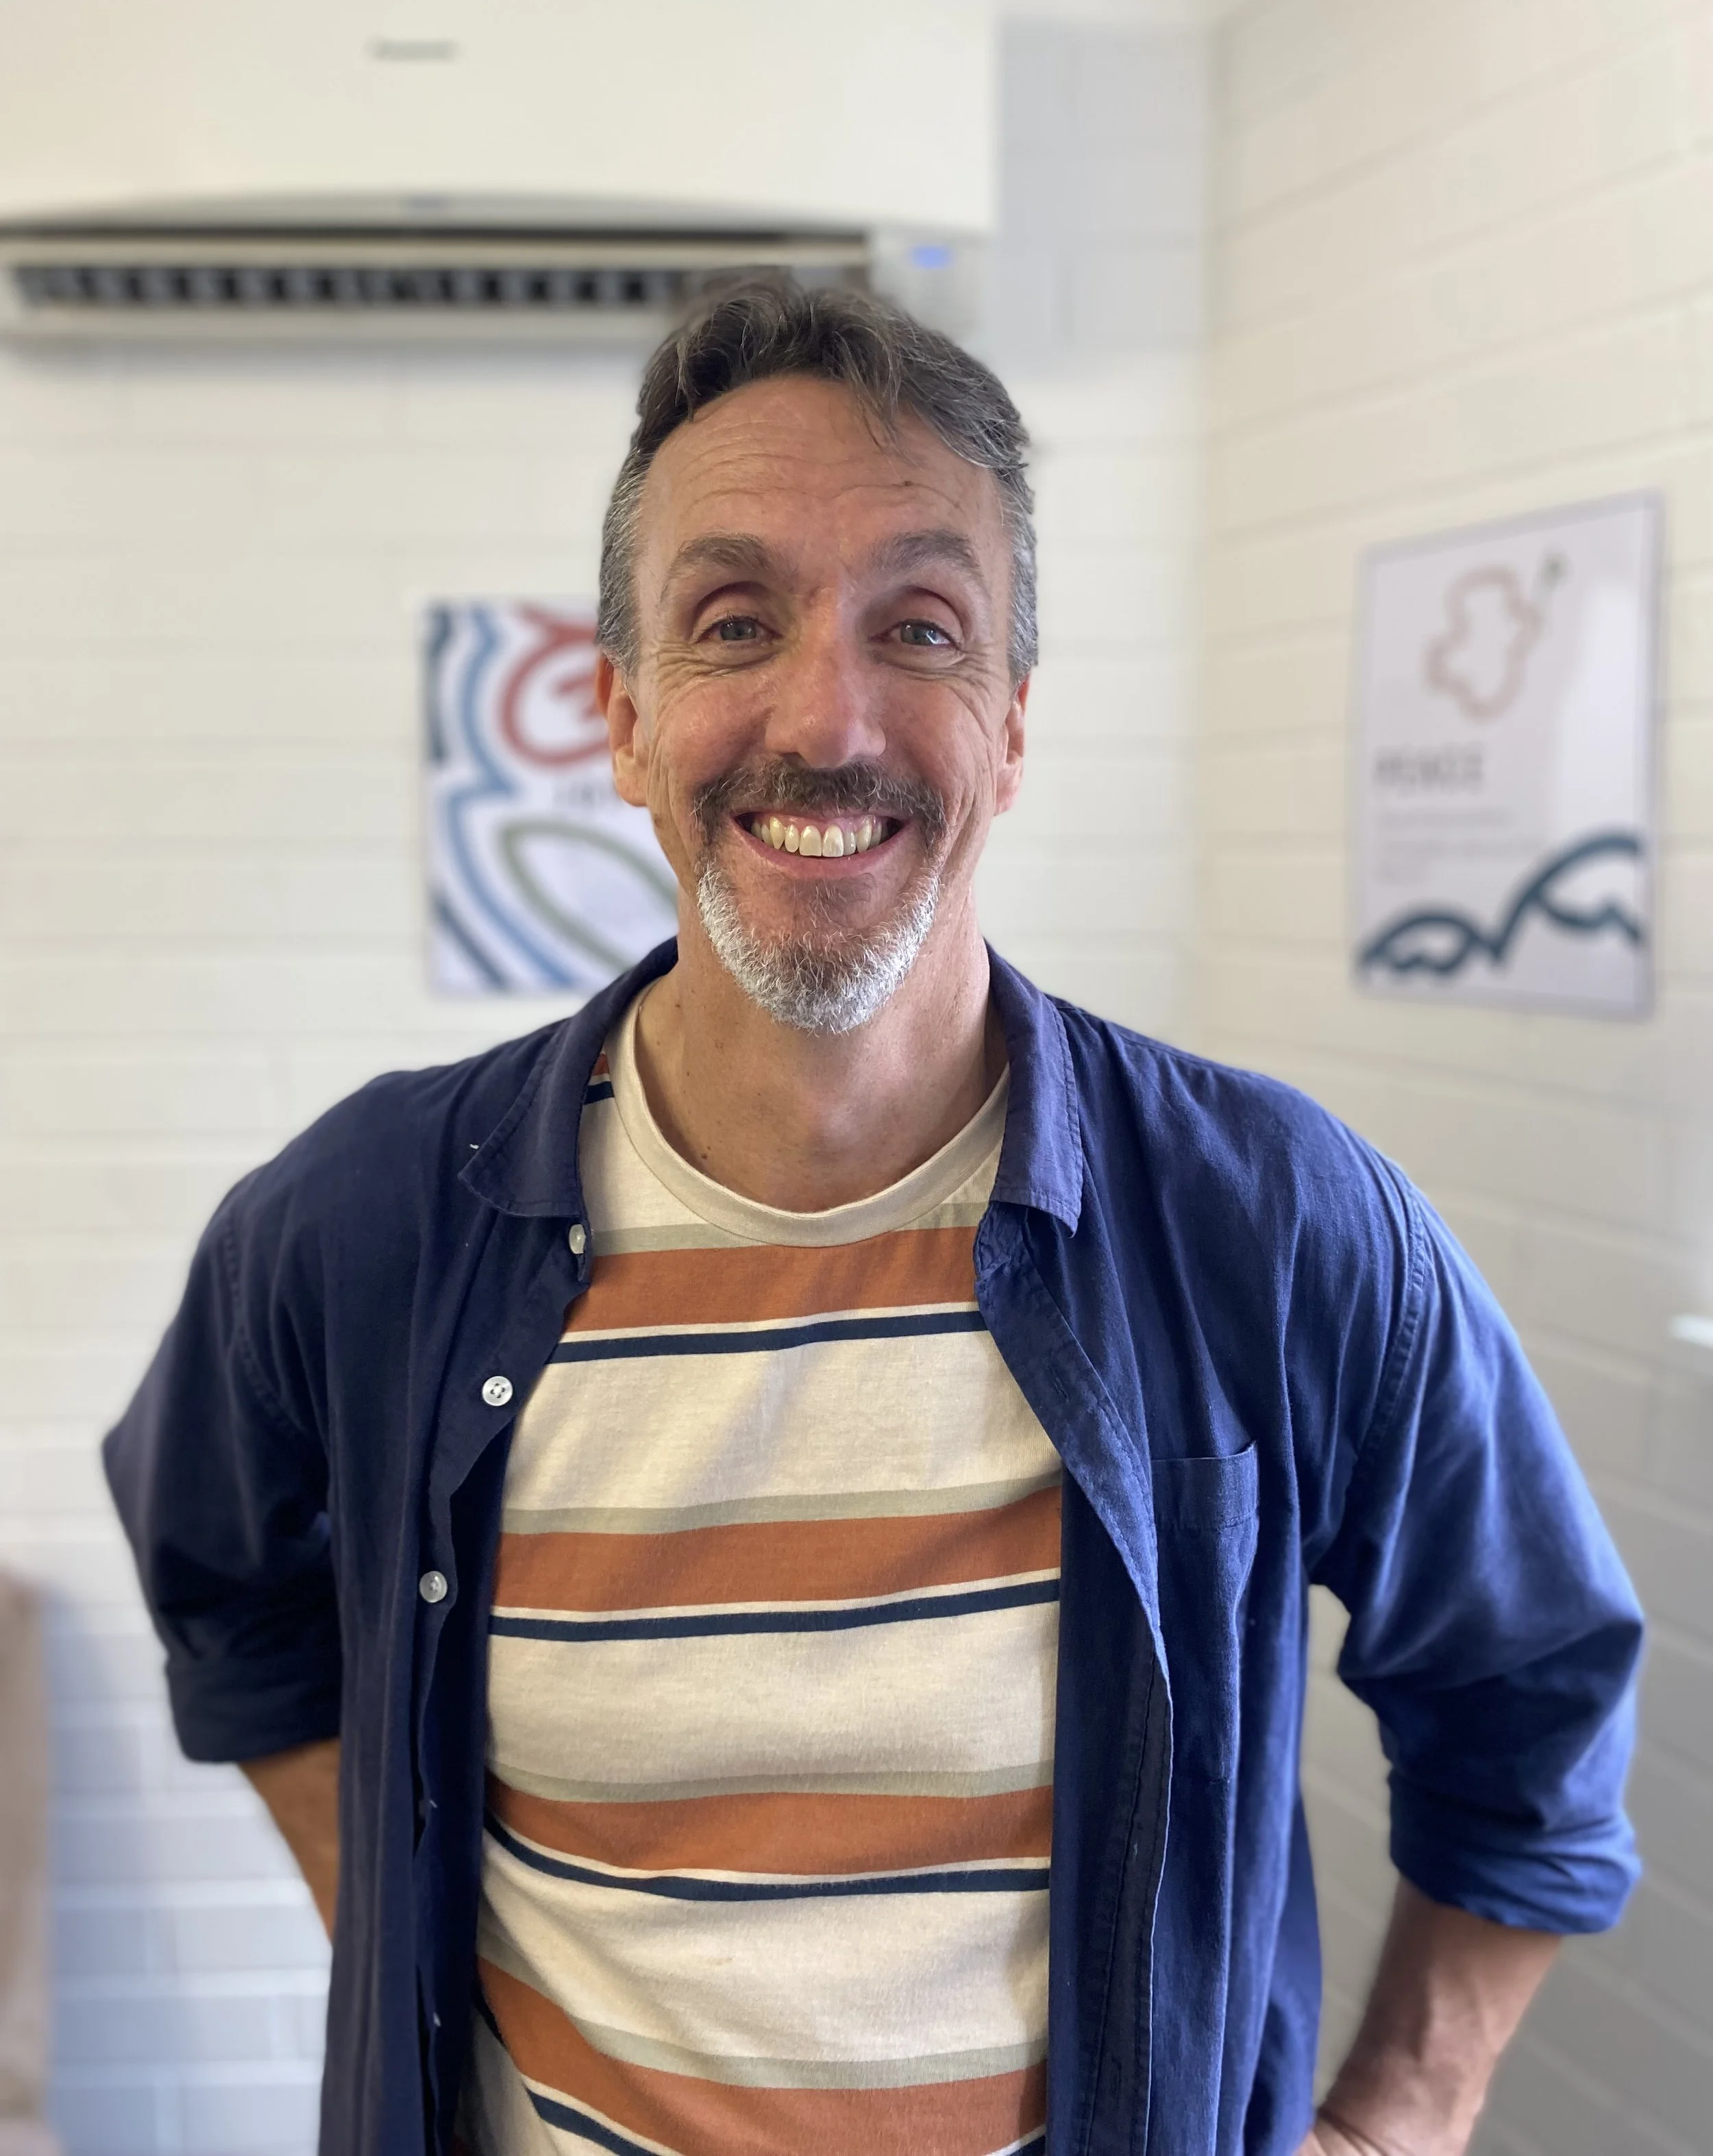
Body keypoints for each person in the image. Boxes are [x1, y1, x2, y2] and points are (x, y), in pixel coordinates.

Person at [106, 278, 1642, 2156]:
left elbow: (1532, 1698)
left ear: (1011, 726)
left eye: (919, 628)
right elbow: (223, 1579)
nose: (826, 719)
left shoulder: (1276, 1224)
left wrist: (1396, 2122)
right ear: (626, 717)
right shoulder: (366, 1224)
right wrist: (406, 1929)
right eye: (734, 622)